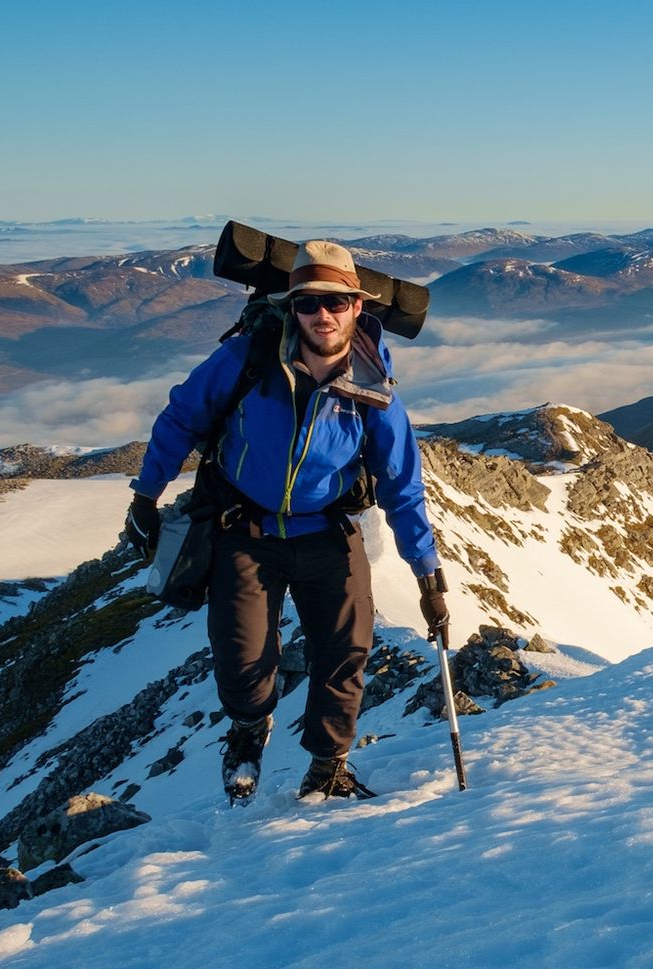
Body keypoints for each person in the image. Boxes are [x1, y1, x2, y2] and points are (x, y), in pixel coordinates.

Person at [123, 241, 451, 802]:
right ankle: (250, 728)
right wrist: (145, 496)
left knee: (346, 650)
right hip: (245, 528)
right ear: (291, 308)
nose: (323, 314)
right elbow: (181, 418)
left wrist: (428, 575)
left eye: (336, 302)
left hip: (327, 530)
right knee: (243, 659)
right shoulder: (248, 359)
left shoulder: (373, 390)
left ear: (357, 307)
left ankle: (328, 767)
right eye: (308, 303)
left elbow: (402, 484)